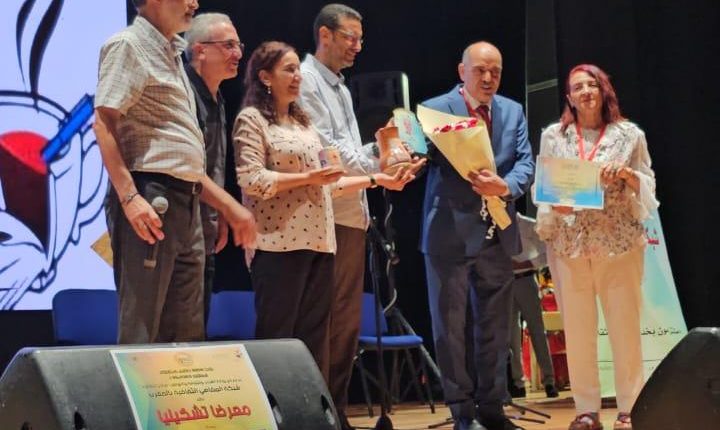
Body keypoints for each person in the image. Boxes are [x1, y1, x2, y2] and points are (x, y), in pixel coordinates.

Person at [233, 40, 413, 386]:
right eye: (288, 70)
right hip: (277, 245)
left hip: (320, 243)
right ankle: (275, 411)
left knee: (314, 341)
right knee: (277, 340)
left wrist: (379, 179)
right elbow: (252, 180)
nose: (297, 76)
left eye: (297, 70)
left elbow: (328, 185)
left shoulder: (305, 126)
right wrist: (308, 178)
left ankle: (312, 410)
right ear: (265, 77)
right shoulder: (252, 119)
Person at [93, 0, 256, 344]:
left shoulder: (172, 52)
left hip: (186, 200)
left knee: (186, 333)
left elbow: (180, 150)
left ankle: (177, 385)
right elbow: (104, 122)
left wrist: (224, 206)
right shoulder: (128, 44)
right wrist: (130, 197)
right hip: (152, 193)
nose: (194, 3)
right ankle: (136, 386)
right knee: (142, 329)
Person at [297, 4, 423, 428]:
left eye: (361, 39)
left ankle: (336, 413)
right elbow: (329, 150)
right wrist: (380, 165)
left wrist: (389, 151)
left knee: (346, 327)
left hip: (352, 214)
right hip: (324, 215)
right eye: (350, 37)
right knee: (324, 323)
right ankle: (317, 417)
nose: (358, 46)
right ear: (325, 35)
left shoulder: (341, 87)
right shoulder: (306, 80)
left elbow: (352, 150)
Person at [536, 64, 658, 430]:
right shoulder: (553, 136)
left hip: (618, 244)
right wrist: (553, 205)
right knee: (577, 331)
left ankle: (629, 409)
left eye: (592, 85)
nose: (586, 91)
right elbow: (545, 187)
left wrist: (627, 175)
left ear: (604, 92)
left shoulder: (629, 134)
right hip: (569, 246)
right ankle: (586, 411)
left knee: (625, 330)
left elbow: (648, 183)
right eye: (578, 87)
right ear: (569, 97)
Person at [421, 41, 534, 430]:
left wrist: (506, 186)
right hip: (449, 232)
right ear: (462, 71)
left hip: (497, 232)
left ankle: (492, 407)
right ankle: (462, 413)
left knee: (496, 327)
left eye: (495, 72)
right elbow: (418, 155)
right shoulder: (435, 109)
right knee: (450, 328)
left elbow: (525, 162)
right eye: (480, 70)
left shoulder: (513, 110)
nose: (488, 78)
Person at [184, 12, 242, 324]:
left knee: (196, 329)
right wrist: (230, 208)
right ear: (200, 50)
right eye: (228, 45)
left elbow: (214, 162)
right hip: (179, 227)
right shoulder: (183, 93)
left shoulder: (217, 96)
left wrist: (217, 214)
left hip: (204, 227)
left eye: (238, 46)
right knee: (176, 331)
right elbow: (186, 166)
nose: (238, 54)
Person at [507, 214, 558, 399]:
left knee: (537, 331)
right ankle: (518, 382)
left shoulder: (529, 225)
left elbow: (547, 253)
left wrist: (524, 263)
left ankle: (549, 381)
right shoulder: (496, 225)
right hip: (505, 282)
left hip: (526, 279)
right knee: (511, 336)